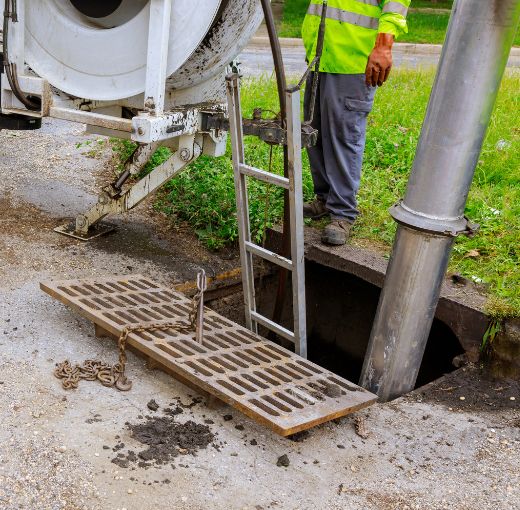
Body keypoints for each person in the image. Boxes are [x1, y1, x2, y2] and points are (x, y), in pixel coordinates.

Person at [302, 0, 410, 245]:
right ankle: (325, 198)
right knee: (314, 133)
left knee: (343, 137)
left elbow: (396, 3)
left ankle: (342, 213)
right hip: (321, 56)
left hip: (353, 58)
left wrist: (384, 46)